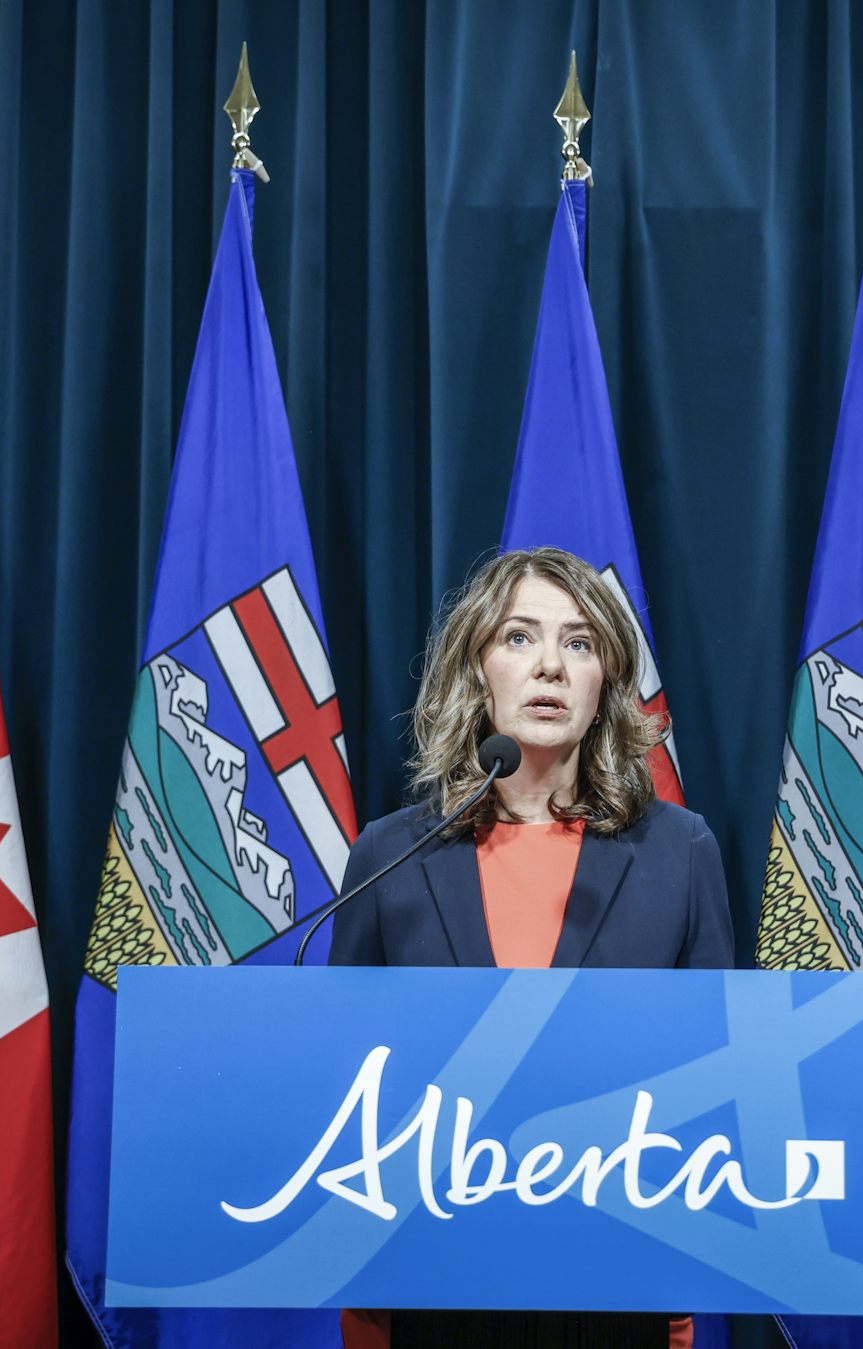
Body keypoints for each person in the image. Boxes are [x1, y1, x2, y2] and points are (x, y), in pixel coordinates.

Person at [332, 546, 732, 1348]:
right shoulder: (391, 855)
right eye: (519, 637)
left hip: (613, 1293)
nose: (550, 662)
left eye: (580, 643)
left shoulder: (679, 850)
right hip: (438, 1295)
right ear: (477, 669)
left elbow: (715, 1074)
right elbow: (349, 1090)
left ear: (606, 683)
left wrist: (681, 1285)